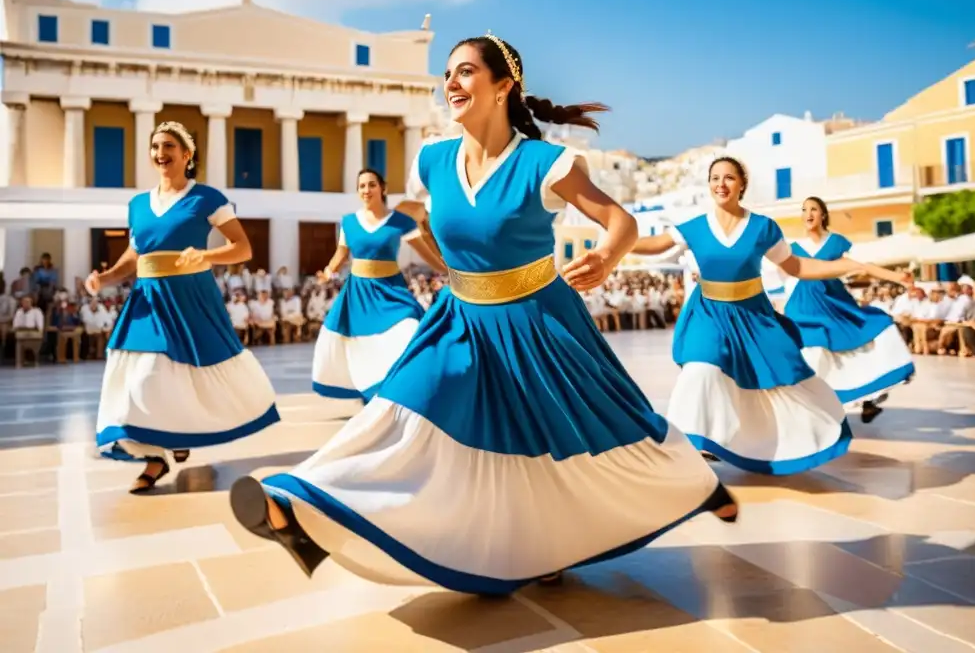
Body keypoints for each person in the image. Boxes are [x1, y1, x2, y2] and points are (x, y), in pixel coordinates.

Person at [229, 33, 735, 595]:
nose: (451, 83)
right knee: (399, 410)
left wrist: (605, 257)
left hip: (535, 321)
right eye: (447, 74)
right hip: (458, 319)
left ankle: (678, 490)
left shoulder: (546, 163)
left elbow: (621, 222)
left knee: (573, 433)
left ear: (503, 87)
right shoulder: (431, 160)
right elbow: (431, 229)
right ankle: (295, 505)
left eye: (466, 72)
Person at [631, 157, 908, 475]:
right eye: (715, 177)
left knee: (782, 381)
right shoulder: (694, 226)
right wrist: (614, 242)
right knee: (699, 369)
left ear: (741, 185)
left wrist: (849, 266)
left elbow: (798, 267)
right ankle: (686, 449)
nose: (721, 183)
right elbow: (653, 244)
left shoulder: (763, 228)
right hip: (708, 312)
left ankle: (788, 439)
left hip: (752, 315)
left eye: (729, 178)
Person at [86, 121, 279, 494]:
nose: (161, 153)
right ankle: (155, 458)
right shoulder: (138, 204)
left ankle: (179, 431)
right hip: (147, 300)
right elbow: (135, 255)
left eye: (169, 146)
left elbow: (243, 248)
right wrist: (105, 278)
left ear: (187, 155)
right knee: (140, 377)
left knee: (179, 372)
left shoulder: (206, 198)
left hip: (190, 297)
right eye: (155, 146)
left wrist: (205, 255)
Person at [311, 167, 446, 408]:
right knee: (363, 346)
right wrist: (328, 273)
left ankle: (405, 389)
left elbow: (426, 253)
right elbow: (339, 256)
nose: (366, 190)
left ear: (382, 188)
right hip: (358, 294)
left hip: (391, 291)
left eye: (372, 184)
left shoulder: (401, 222)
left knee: (409, 330)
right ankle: (374, 393)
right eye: (362, 186)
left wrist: (449, 270)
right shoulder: (349, 222)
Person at [776, 197, 914, 423]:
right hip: (802, 307)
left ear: (823, 215)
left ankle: (869, 398)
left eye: (814, 209)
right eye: (804, 210)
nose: (808, 214)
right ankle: (810, 407)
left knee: (863, 341)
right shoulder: (793, 248)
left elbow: (861, 266)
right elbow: (775, 276)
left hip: (833, 305)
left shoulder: (836, 243)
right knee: (814, 354)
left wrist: (897, 277)